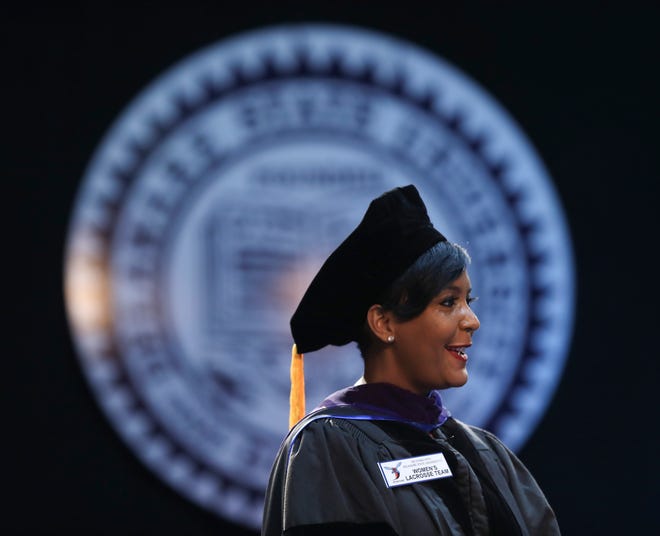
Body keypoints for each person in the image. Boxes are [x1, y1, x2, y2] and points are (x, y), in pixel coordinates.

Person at [262, 185, 560, 535]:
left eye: (469, 300)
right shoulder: (330, 447)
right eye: (449, 302)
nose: (472, 320)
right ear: (384, 323)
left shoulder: (487, 453)